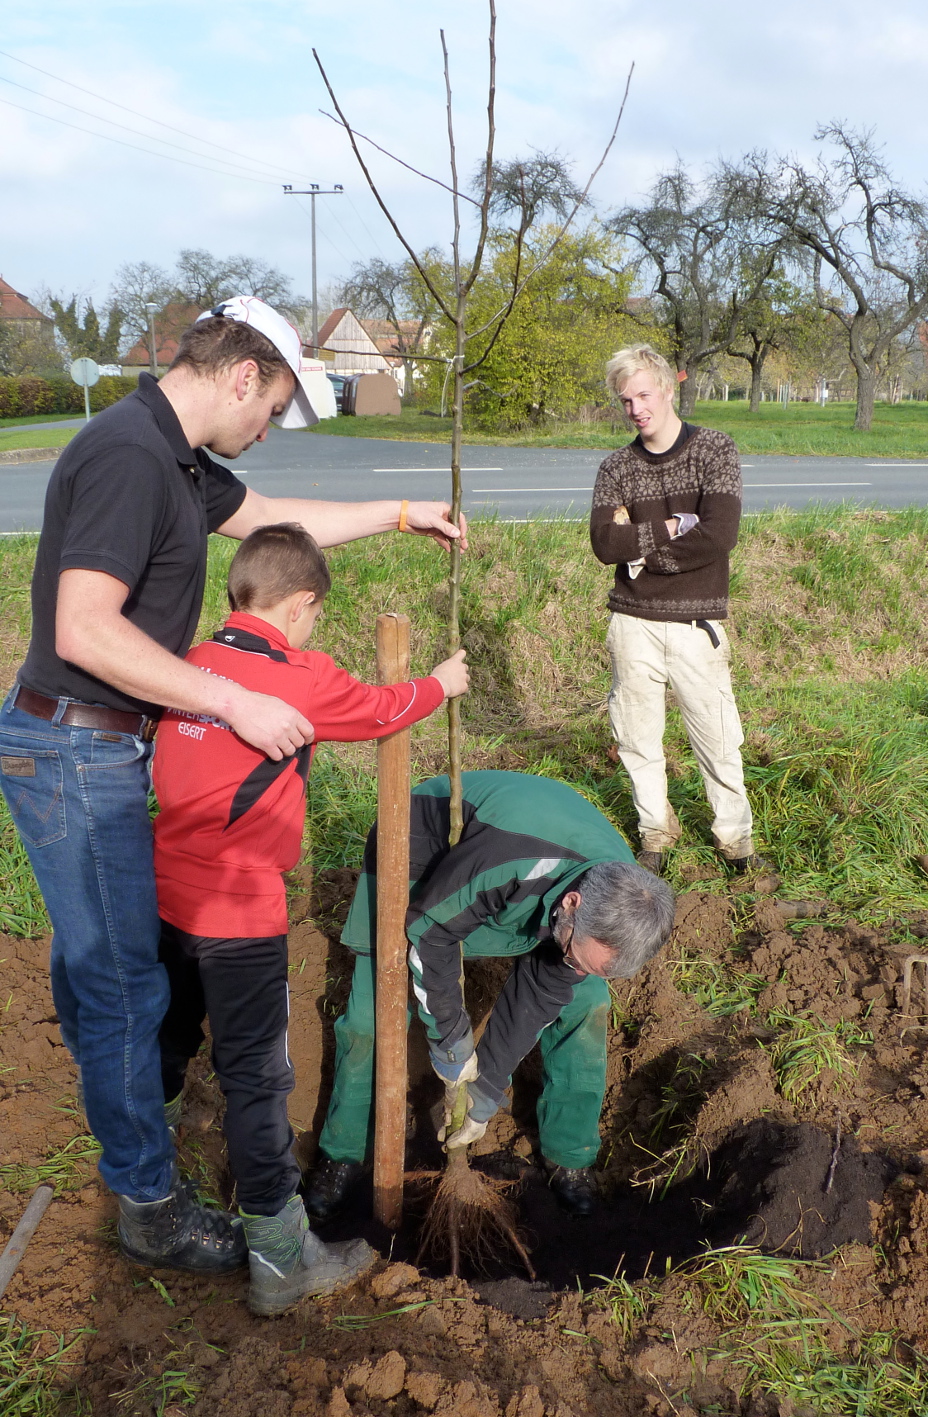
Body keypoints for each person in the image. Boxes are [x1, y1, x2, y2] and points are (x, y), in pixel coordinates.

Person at [0, 295, 465, 1279]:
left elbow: (272, 521)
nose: (266, 435)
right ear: (243, 375)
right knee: (123, 987)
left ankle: (138, 1145)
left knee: (125, 978)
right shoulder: (130, 456)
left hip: (101, 747)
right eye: (273, 412)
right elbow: (85, 628)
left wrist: (397, 513)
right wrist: (233, 700)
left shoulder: (170, 456)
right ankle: (151, 1205)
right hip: (78, 749)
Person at [151, 522, 469, 1313]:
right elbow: (381, 708)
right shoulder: (297, 674)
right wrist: (443, 682)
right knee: (258, 1082)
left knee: (165, 1039)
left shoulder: (187, 664)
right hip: (240, 912)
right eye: (316, 615)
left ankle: (150, 1190)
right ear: (299, 605)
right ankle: (281, 1257)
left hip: (162, 898)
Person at [304, 770, 675, 1221]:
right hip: (425, 854)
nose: (574, 968)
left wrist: (484, 1087)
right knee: (371, 1017)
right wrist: (450, 1038)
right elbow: (430, 931)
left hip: (524, 893)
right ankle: (341, 1154)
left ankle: (569, 1155)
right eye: (578, 956)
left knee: (588, 1002)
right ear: (573, 903)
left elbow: (544, 991)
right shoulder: (511, 861)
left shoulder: (625, 897)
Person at [590, 343, 764, 876]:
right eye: (626, 399)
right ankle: (655, 834)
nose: (636, 407)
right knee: (637, 737)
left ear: (670, 388)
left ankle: (736, 842)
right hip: (632, 623)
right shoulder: (616, 466)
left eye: (644, 393)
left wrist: (642, 552)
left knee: (716, 738)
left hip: (694, 624)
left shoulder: (715, 450)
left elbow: (718, 535)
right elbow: (603, 545)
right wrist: (667, 528)